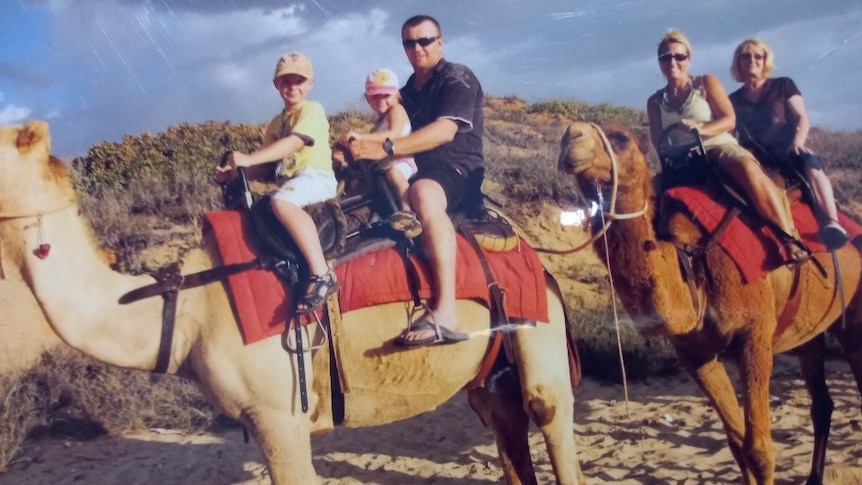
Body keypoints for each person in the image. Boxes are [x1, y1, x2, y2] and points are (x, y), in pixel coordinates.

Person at [348, 14, 485, 347]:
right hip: (416, 167)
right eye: (409, 42)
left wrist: (387, 147)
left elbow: (445, 130)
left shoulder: (457, 76)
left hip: (455, 168)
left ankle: (446, 310)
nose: (417, 48)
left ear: (440, 42)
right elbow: (388, 122)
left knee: (422, 195)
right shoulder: (408, 90)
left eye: (425, 40)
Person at [646, 29, 809, 262]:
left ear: (688, 59)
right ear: (660, 62)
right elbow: (657, 139)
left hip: (717, 146)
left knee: (747, 169)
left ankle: (788, 238)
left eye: (679, 56)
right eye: (666, 57)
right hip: (682, 160)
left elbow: (729, 120)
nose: (672, 61)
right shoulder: (654, 101)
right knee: (643, 193)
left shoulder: (706, 82)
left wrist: (700, 128)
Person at [215, 52, 339, 314]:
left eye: (298, 81)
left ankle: (322, 273)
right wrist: (239, 174)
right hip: (291, 182)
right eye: (285, 81)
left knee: (281, 203)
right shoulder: (275, 123)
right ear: (276, 85)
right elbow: (268, 166)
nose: (292, 86)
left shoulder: (312, 111)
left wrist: (247, 159)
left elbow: (295, 142)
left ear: (310, 84)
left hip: (315, 177)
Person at [729, 38, 848, 250]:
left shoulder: (783, 85)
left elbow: (802, 117)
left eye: (758, 56)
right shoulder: (733, 100)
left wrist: (798, 142)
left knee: (809, 161)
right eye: (746, 56)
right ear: (738, 62)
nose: (752, 60)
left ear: (766, 60)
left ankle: (831, 221)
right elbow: (729, 131)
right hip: (756, 157)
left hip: (787, 149)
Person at [341, 68, 422, 239]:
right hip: (382, 166)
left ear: (396, 95)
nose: (381, 100)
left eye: (386, 95)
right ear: (368, 98)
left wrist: (362, 136)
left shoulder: (397, 110)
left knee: (394, 174)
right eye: (375, 96)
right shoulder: (376, 126)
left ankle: (408, 212)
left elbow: (393, 134)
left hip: (401, 159)